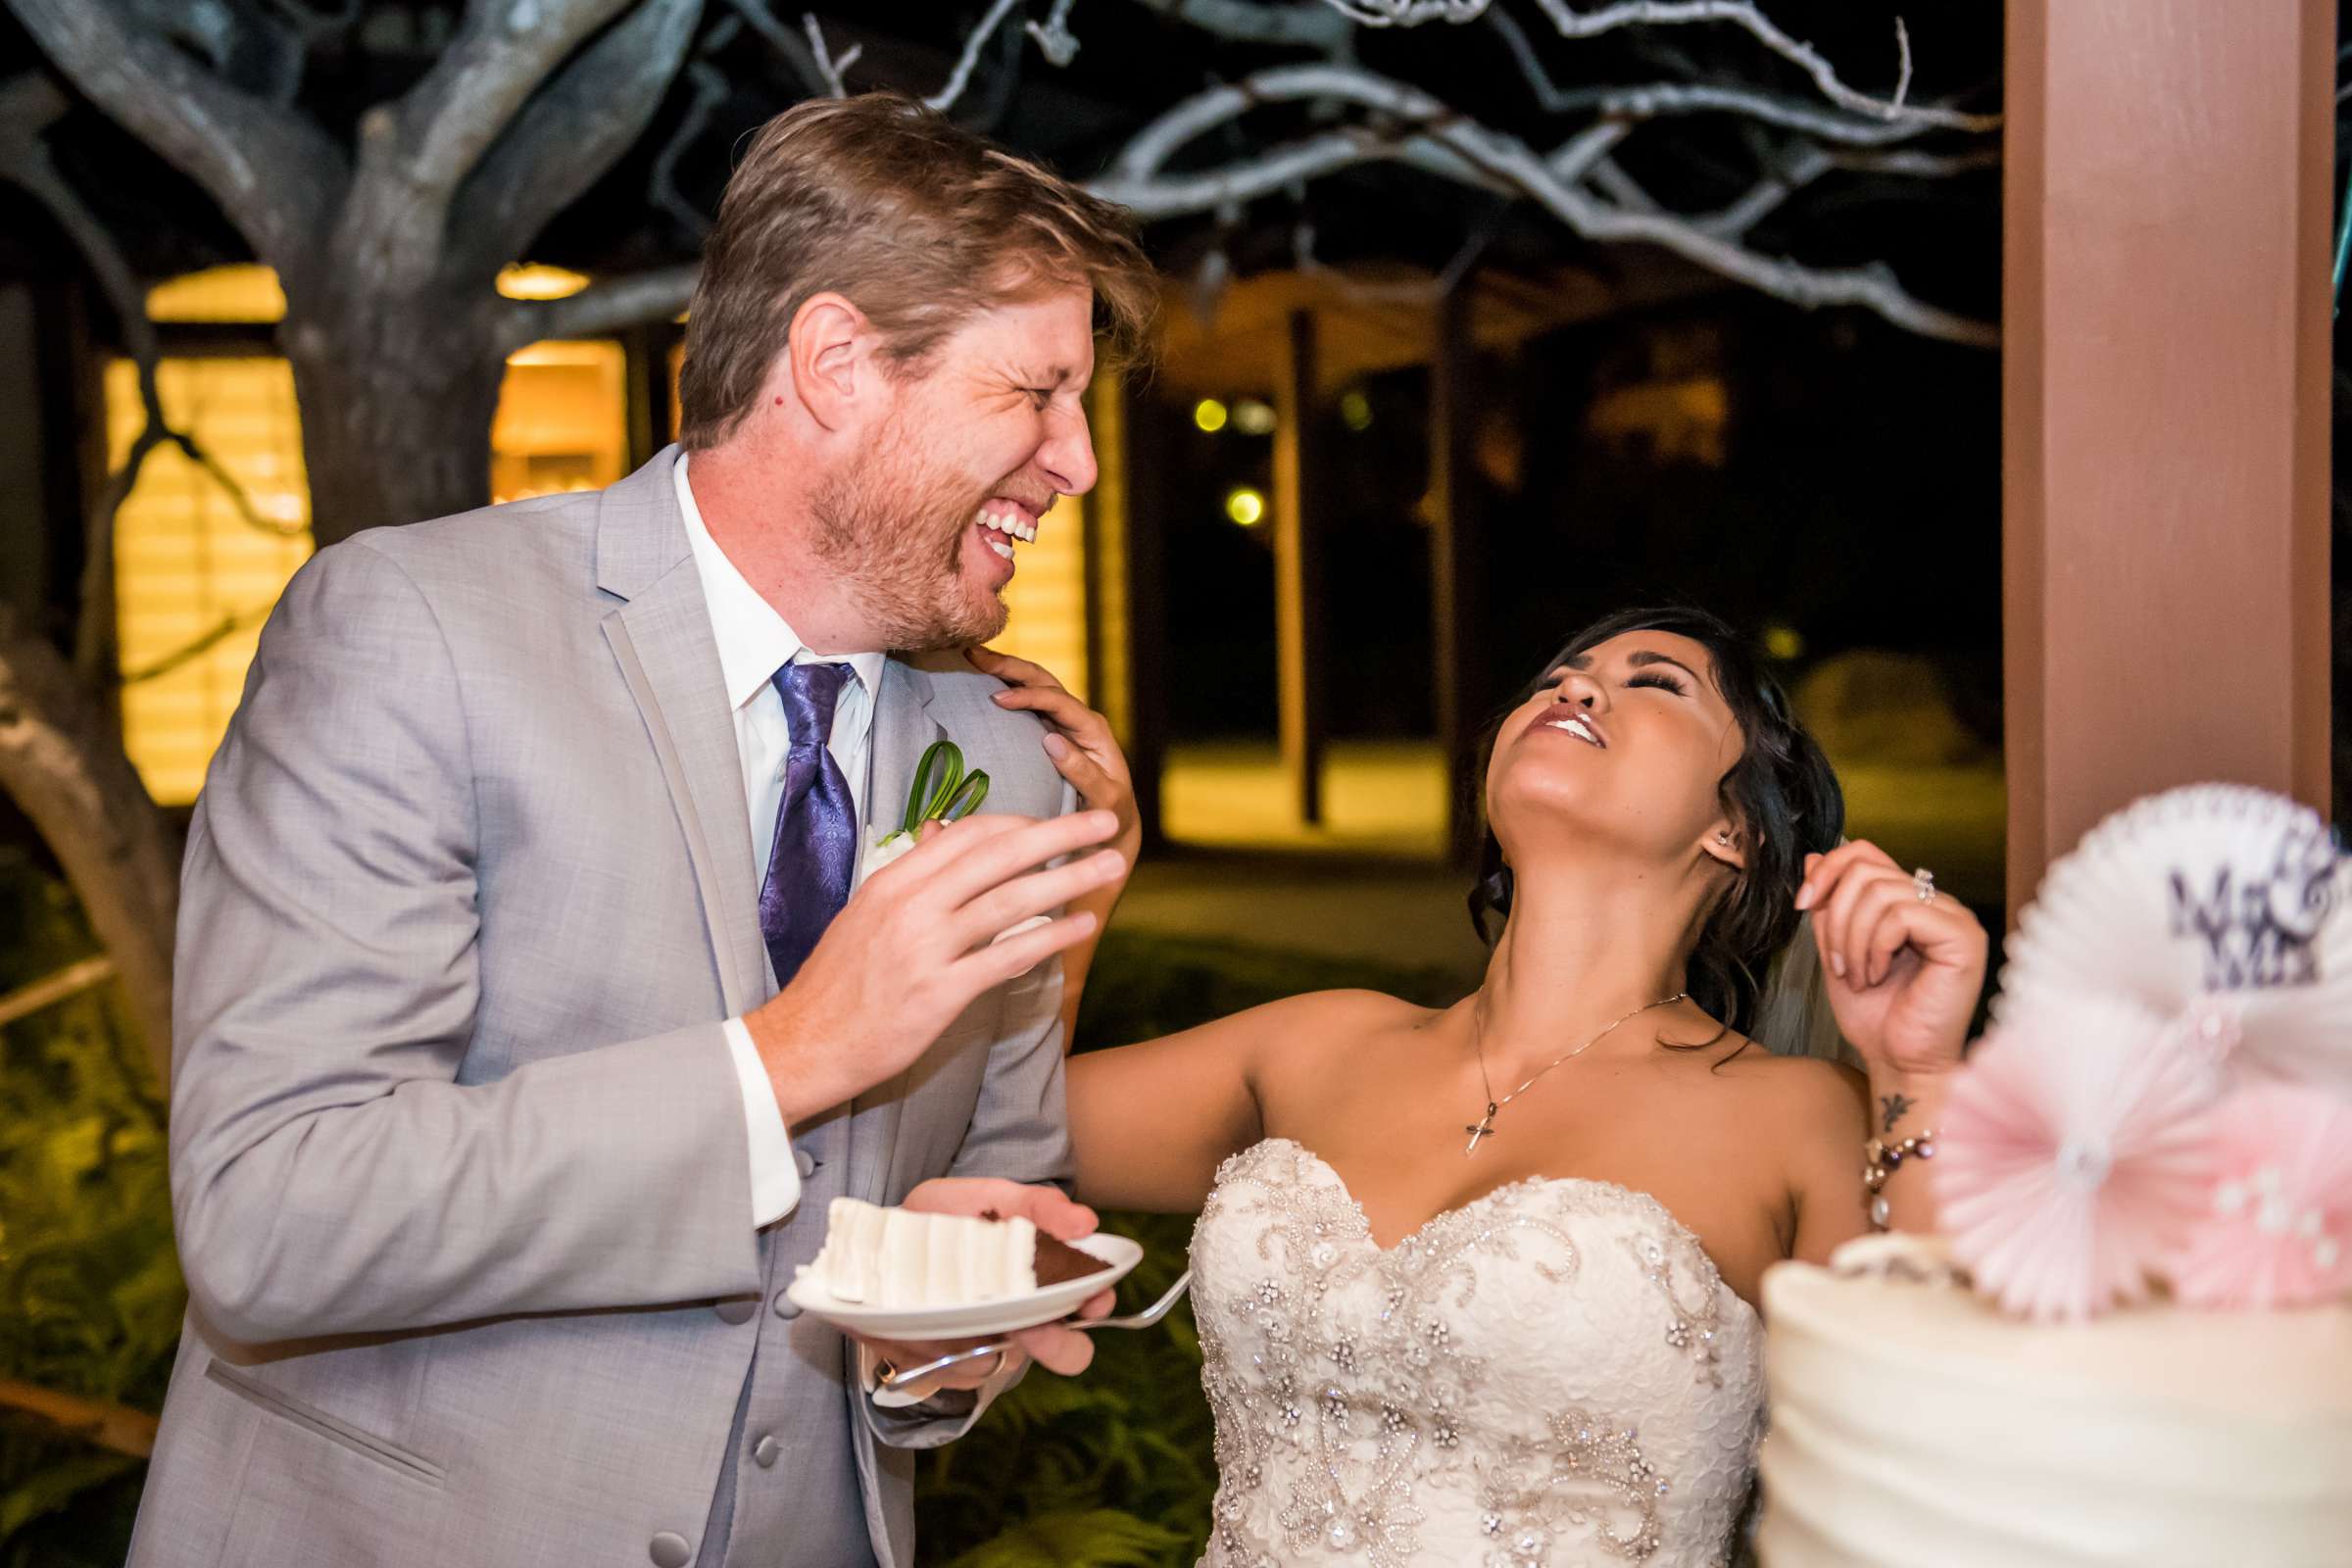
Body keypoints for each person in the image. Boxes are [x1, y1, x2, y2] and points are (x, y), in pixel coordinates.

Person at [128, 92, 1155, 1568]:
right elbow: (274, 1217)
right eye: (1034, 393)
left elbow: (976, 1195)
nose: (1079, 463)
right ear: (837, 363)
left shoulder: (1012, 757)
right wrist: (791, 1056)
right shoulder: (416, 631)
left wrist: (946, 1337)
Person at [975, 606, 1990, 1566]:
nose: (1580, 691)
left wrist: (1918, 1073)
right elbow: (994, 1137)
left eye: (1656, 683)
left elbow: (1934, 1449)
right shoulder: (1312, 1044)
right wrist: (1079, 892)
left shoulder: (1799, 1115)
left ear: (1736, 829)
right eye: (1562, 677)